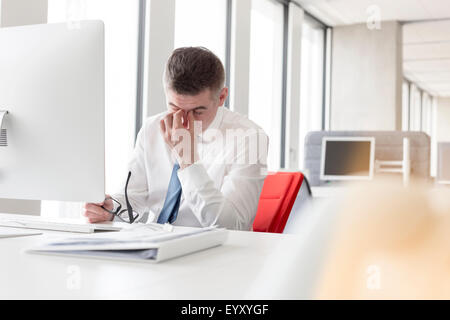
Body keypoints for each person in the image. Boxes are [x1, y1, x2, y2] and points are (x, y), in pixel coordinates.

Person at [82, 47, 268, 230]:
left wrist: (188, 161)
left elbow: (232, 226)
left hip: (212, 251)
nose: (183, 121)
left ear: (221, 97)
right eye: (174, 108)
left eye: (197, 111)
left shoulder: (250, 138)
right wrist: (111, 210)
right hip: (155, 243)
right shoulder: (152, 128)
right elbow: (133, 197)